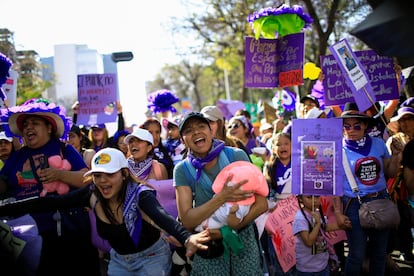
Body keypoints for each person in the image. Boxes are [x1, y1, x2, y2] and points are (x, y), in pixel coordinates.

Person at [0, 147, 211, 275]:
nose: (102, 181)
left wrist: (186, 238)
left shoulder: (141, 194)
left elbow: (162, 217)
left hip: (152, 260)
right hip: (118, 262)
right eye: (97, 175)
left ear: (124, 174)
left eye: (109, 174)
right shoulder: (91, 193)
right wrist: (5, 209)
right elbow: (47, 203)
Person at [0, 98, 100, 275]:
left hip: (70, 235)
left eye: (35, 123)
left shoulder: (65, 149)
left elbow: (88, 178)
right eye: (25, 125)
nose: (28, 128)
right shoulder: (17, 157)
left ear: (49, 128)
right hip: (28, 241)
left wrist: (60, 174)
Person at [174, 112, 268, 275]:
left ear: (211, 131)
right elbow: (188, 220)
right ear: (183, 140)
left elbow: (262, 204)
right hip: (209, 242)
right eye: (188, 130)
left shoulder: (235, 155)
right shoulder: (182, 170)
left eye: (201, 127)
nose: (196, 132)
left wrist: (231, 228)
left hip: (242, 238)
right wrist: (221, 198)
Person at [332, 107, 402, 275]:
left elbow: (390, 172)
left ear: (364, 126)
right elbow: (335, 185)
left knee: (379, 253)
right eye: (346, 126)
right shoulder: (335, 150)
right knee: (356, 254)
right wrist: (338, 213)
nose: (351, 130)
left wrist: (396, 155)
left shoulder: (378, 144)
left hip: (381, 200)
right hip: (353, 204)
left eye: (356, 126)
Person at [293, 195, 340, 276]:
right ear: (300, 199)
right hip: (307, 268)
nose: (314, 200)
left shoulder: (317, 212)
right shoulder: (300, 218)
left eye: (317, 197)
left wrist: (342, 225)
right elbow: (308, 242)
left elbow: (324, 227)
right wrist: (317, 224)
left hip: (322, 265)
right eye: (309, 197)